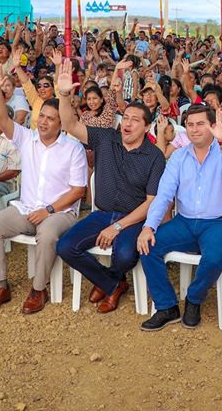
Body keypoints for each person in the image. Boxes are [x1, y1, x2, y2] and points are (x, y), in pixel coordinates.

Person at [55, 59, 166, 314]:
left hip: (133, 219)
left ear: (147, 126)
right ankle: (113, 283)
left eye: (135, 120)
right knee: (65, 247)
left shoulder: (155, 157)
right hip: (102, 214)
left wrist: (117, 227)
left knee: (125, 255)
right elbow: (70, 125)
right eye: (125, 118)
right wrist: (64, 96)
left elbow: (151, 202)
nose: (127, 123)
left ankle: (109, 279)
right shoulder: (106, 138)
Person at [0, 64, 87, 315]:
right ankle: (0, 286)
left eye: (50, 118)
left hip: (59, 213)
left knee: (47, 235)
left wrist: (48, 210)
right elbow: (2, 118)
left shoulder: (73, 149)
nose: (43, 122)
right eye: (42, 117)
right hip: (27, 208)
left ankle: (39, 289)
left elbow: (77, 191)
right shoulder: (27, 138)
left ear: (61, 123)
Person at [137, 104, 222, 330]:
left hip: (221, 223)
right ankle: (167, 306)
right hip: (185, 222)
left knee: (213, 258)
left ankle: (194, 299)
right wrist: (149, 226)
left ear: (213, 126)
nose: (194, 129)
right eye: (189, 125)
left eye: (200, 124)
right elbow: (164, 195)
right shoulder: (179, 157)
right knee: (147, 245)